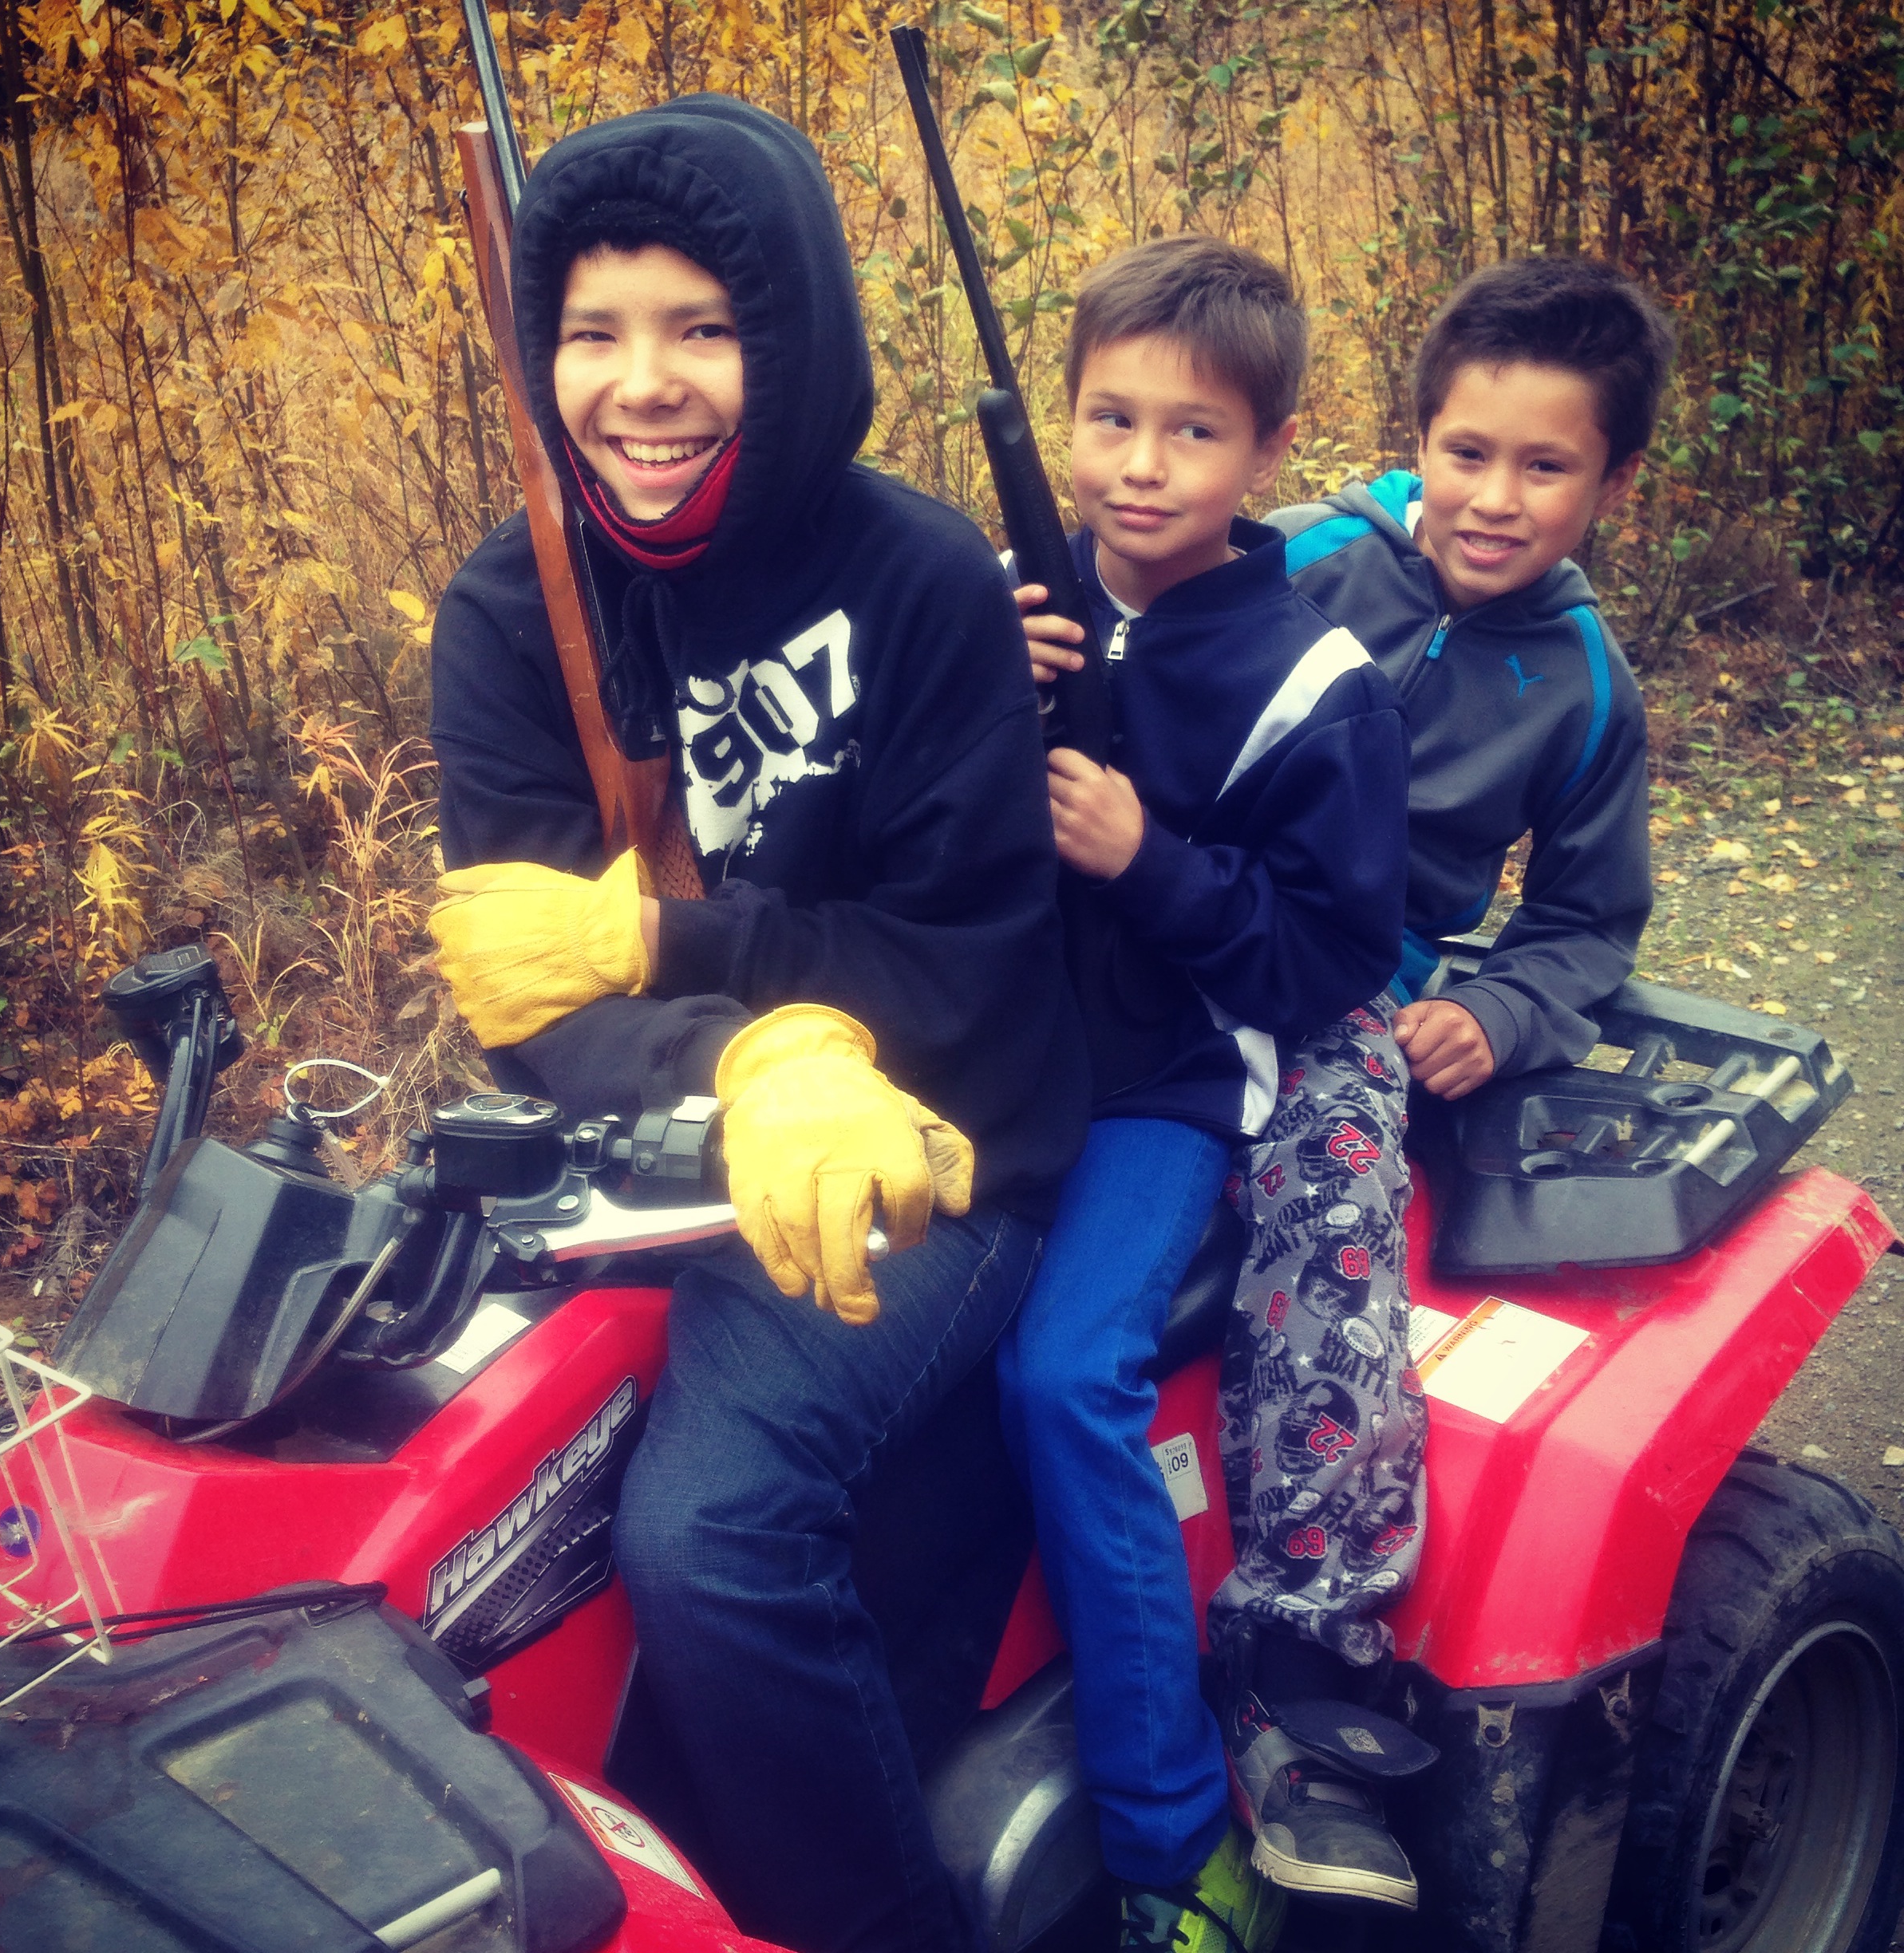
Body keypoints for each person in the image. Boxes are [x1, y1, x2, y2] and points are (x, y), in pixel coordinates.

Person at [425, 97, 1087, 1953]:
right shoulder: (510, 614)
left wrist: (696, 959)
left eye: (701, 328)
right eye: (593, 331)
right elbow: (531, 997)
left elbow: (969, 966)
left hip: (955, 1142)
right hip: (648, 1154)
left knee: (708, 1535)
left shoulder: (925, 582)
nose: (642, 385)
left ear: (787, 339)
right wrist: (730, 1056)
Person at [1020, 252, 1675, 1916]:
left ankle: (1305, 1659)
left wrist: (1503, 1009)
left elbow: (1587, 917)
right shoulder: (1297, 552)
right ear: (1415, 439)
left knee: (1329, 1206)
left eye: (1545, 467)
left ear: (1611, 482)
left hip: (1351, 989)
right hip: (1147, 932)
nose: (1494, 499)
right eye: (1468, 452)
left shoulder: (1584, 685)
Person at [999, 235, 1410, 1953]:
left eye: (1194, 432)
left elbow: (1327, 956)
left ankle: (1172, 1844)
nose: (1141, 466)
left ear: (1266, 453)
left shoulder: (1316, 685)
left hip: (1163, 1087)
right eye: (1111, 419)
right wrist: (975, 692)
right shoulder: (1007, 601)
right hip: (981, 1059)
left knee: (1061, 1374)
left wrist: (1147, 859)